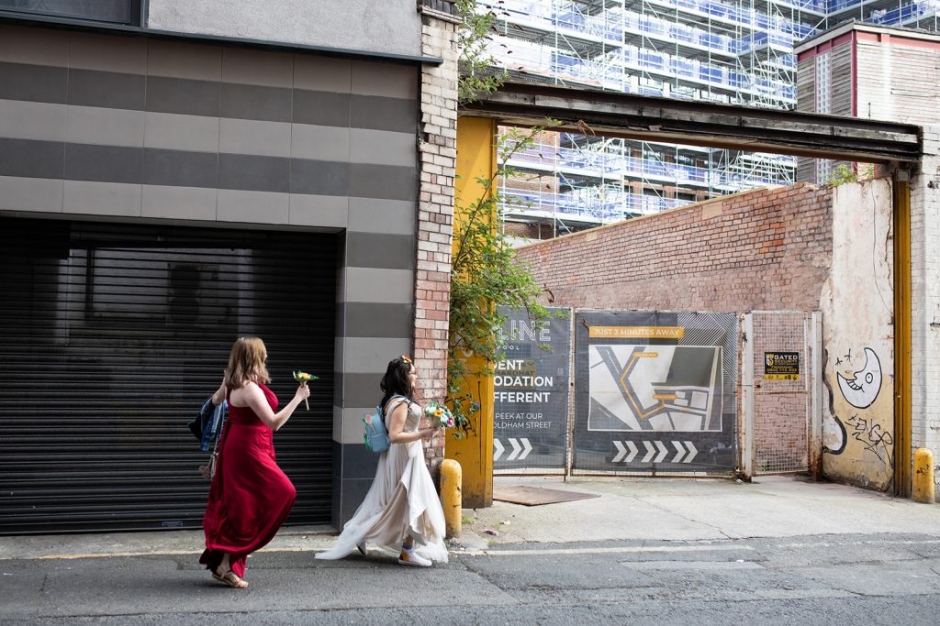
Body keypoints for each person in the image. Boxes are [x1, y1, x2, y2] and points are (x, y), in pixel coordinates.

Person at [199, 336, 311, 589]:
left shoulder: (232, 382)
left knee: (242, 504)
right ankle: (229, 559)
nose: (267, 356)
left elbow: (216, 401)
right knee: (283, 491)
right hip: (248, 450)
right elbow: (274, 422)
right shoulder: (248, 388)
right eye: (263, 353)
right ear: (253, 357)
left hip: (241, 445)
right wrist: (298, 397)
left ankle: (225, 564)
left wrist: (229, 387)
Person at [315, 355, 448, 567]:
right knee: (410, 501)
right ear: (403, 377)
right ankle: (404, 550)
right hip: (405, 456)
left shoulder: (392, 400)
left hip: (405, 455)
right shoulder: (401, 403)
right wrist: (423, 434)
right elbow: (395, 436)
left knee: (401, 503)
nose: (416, 376)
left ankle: (368, 536)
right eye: (413, 372)